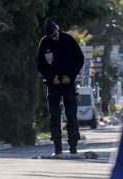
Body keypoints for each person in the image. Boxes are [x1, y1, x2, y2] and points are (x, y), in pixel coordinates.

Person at [37, 18, 84, 156]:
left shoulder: (68, 40)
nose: (53, 38)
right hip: (53, 84)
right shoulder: (44, 42)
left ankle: (73, 147)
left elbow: (79, 59)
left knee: (71, 116)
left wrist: (70, 76)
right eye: (51, 36)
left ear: (58, 29)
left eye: (55, 35)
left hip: (68, 83)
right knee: (54, 116)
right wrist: (52, 78)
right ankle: (57, 148)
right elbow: (40, 64)